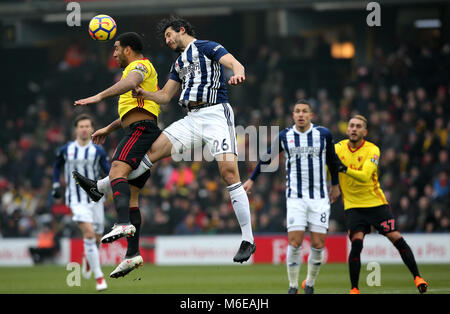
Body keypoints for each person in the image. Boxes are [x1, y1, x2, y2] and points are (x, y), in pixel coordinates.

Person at [74, 16, 256, 263]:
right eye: (165, 38)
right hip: (191, 119)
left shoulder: (207, 47)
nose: (167, 41)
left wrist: (238, 73)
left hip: (215, 113)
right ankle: (102, 187)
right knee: (148, 155)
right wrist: (143, 93)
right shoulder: (179, 63)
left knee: (229, 173)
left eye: (170, 35)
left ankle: (248, 239)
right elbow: (164, 97)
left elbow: (234, 63)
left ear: (182, 30)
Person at [72, 32, 161, 278]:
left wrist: (98, 96)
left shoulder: (139, 66)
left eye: (116, 48)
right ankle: (133, 254)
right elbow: (132, 109)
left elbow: (131, 84)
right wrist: (109, 128)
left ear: (129, 50)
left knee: (116, 171)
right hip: (141, 127)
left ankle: (120, 220)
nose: (113, 53)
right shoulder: (137, 71)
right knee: (132, 194)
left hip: (141, 130)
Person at [243, 100, 341, 294]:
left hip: (319, 197)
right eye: (297, 111)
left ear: (311, 115)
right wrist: (252, 179)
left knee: (318, 244)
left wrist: (336, 185)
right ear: (293, 115)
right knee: (295, 242)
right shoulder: (285, 136)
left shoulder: (323, 135)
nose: (301, 114)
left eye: (305, 111)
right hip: (295, 197)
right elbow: (267, 157)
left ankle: (310, 284)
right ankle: (293, 286)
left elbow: (332, 160)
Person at [335, 114, 429, 294]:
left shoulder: (373, 150)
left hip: (376, 203)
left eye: (358, 126)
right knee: (356, 244)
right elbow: (325, 165)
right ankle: (354, 289)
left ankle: (418, 277)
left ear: (365, 131)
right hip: (354, 206)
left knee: (395, 237)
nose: (354, 128)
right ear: (347, 129)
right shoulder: (338, 148)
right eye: (352, 125)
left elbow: (363, 176)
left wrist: (343, 168)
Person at [52, 114, 110, 291]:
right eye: (81, 126)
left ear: (92, 129)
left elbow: (108, 172)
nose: (84, 129)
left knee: (98, 237)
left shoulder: (98, 151)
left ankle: (89, 259)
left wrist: (114, 185)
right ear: (76, 129)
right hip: (76, 199)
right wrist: (56, 184)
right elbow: (56, 166)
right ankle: (99, 278)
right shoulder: (66, 149)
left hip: (96, 198)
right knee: (90, 234)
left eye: (87, 126)